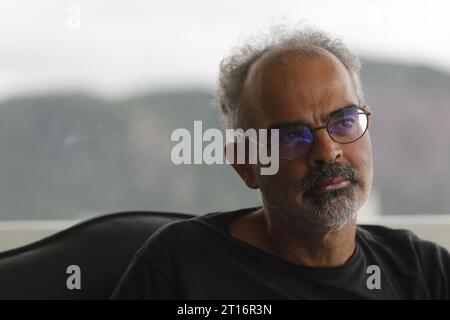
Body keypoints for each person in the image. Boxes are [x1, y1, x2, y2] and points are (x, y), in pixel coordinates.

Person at [110, 23, 450, 299]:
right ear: (245, 165)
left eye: (344, 121)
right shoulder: (179, 267)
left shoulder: (423, 273)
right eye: (291, 135)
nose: (327, 151)